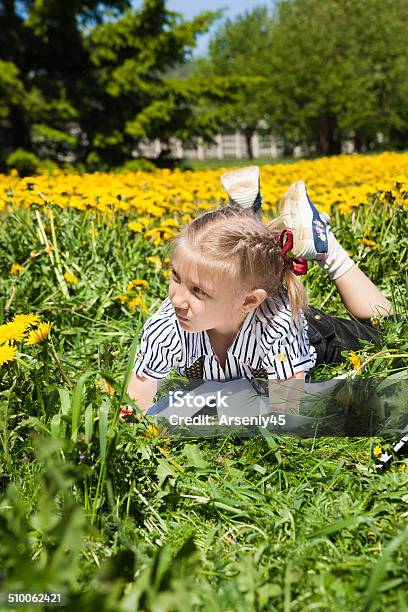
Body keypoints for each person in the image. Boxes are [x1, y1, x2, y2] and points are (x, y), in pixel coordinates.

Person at [125, 167, 393, 416]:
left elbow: (285, 409)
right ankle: (245, 220)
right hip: (246, 300)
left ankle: (324, 246)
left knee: (389, 330)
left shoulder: (278, 326)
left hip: (313, 333)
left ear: (249, 300)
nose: (177, 299)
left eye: (198, 291)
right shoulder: (166, 325)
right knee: (240, 265)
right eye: (176, 277)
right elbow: (137, 400)